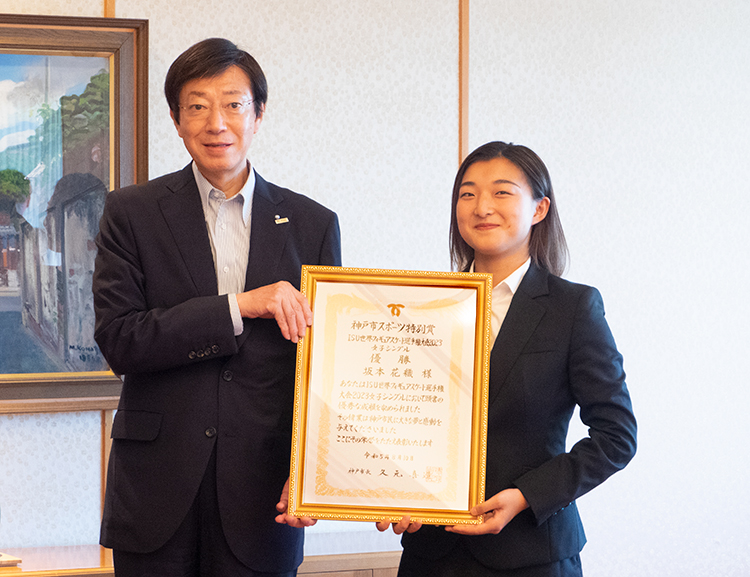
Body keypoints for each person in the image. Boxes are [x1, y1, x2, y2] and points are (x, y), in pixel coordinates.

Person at [93, 38, 340, 577]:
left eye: (233, 103)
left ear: (258, 115)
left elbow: (323, 369)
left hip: (265, 491)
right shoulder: (131, 213)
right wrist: (239, 306)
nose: (216, 122)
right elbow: (120, 339)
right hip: (157, 487)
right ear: (177, 122)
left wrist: (313, 470)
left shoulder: (312, 224)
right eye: (197, 105)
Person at [378, 141, 637, 576]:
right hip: (432, 554)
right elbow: (399, 416)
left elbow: (617, 436)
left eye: (501, 192)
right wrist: (391, 491)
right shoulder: (421, 306)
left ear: (539, 209)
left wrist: (525, 495)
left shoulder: (573, 308)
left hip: (532, 551)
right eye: (467, 193)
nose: (482, 207)